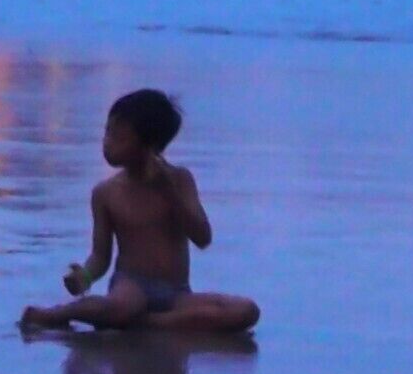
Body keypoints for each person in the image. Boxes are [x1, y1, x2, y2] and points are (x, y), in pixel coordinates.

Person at [21, 90, 261, 335]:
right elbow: (101, 256)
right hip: (131, 286)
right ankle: (62, 313)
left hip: (176, 292)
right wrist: (85, 276)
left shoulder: (180, 180)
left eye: (118, 137)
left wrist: (170, 194)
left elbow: (203, 237)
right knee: (122, 306)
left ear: (149, 146)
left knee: (245, 311)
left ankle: (146, 323)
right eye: (107, 132)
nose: (107, 142)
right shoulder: (105, 193)